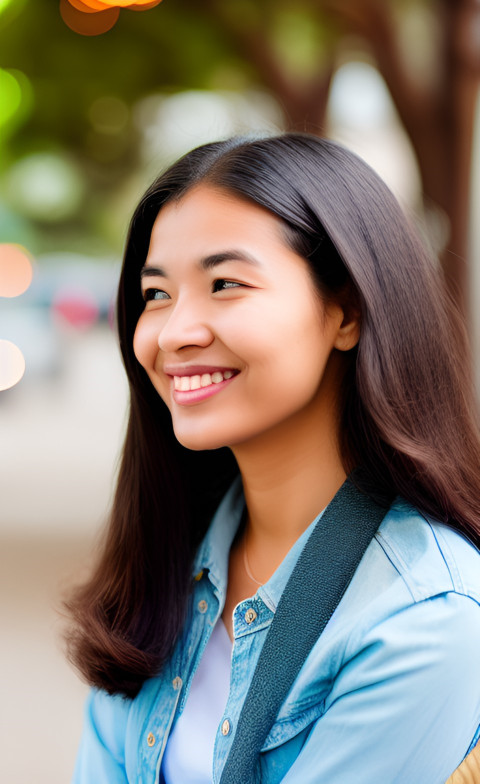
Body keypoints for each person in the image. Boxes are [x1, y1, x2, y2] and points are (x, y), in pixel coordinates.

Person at [68, 133, 480, 784]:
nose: (175, 332)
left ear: (346, 311)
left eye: (225, 284)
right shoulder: (168, 562)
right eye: (157, 294)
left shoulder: (423, 616)